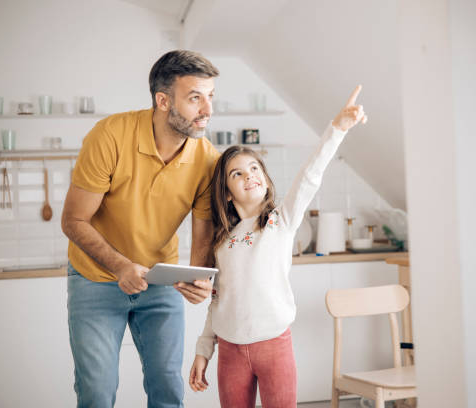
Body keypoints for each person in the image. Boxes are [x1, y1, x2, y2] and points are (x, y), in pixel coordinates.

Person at [189, 85, 368, 407]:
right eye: (237, 173)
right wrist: (204, 351)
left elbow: (310, 175)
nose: (249, 175)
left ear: (267, 179)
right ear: (227, 192)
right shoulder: (221, 240)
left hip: (274, 345)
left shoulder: (280, 220)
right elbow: (216, 301)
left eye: (255, 168)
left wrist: (337, 129)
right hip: (229, 349)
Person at [61, 50, 220, 408]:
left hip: (159, 279)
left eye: (211, 97)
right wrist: (119, 266)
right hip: (95, 278)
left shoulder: (207, 158)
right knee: (97, 391)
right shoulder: (111, 135)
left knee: (167, 389)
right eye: (195, 97)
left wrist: (197, 277)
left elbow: (203, 232)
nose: (207, 109)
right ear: (163, 101)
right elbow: (73, 220)